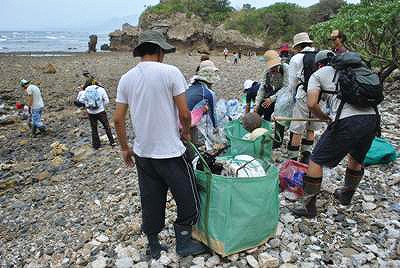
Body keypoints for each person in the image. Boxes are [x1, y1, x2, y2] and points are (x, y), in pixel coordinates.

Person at [113, 30, 208, 259]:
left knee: (151, 198)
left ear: (141, 52)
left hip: (143, 154)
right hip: (170, 153)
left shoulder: (126, 78)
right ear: (159, 51)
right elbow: (185, 114)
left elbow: (117, 119)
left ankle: (154, 245)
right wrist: (185, 132)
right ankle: (184, 242)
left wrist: (125, 148)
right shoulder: (171, 72)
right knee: (189, 197)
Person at [292, 50, 378, 218]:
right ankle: (346, 195)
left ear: (319, 63)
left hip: (347, 121)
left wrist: (324, 118)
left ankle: (309, 206)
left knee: (316, 160)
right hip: (372, 119)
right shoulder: (359, 71)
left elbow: (311, 104)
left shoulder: (319, 74)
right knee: (356, 157)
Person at [287, 32, 320, 164]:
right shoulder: (320, 55)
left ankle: (293, 159)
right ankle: (306, 155)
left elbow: (292, 83)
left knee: (297, 127)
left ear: (298, 46)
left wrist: (293, 97)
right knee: (312, 126)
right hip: (319, 96)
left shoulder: (296, 59)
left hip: (304, 95)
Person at [254, 50, 289, 148]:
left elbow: (287, 87)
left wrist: (272, 99)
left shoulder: (286, 68)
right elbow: (262, 88)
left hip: (286, 95)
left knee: (279, 116)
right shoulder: (267, 72)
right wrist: (257, 104)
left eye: (275, 68)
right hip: (274, 93)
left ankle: (278, 140)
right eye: (272, 69)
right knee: (264, 107)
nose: (274, 70)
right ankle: (264, 134)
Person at [78, 84, 115, 149]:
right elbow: (107, 101)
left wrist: (88, 105)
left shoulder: (86, 90)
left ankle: (96, 145)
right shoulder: (101, 89)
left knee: (94, 128)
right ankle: (112, 142)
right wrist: (101, 105)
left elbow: (81, 100)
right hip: (101, 112)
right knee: (106, 127)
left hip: (90, 113)